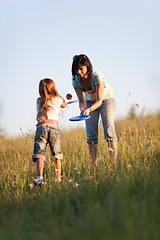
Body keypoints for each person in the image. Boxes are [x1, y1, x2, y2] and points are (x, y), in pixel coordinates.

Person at [71, 54, 118, 165]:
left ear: (87, 67)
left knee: (109, 131)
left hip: (106, 100)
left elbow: (99, 100)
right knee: (91, 136)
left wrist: (89, 109)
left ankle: (113, 164)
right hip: (89, 102)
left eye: (81, 69)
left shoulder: (97, 76)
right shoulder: (76, 81)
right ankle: (94, 165)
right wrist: (83, 110)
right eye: (76, 69)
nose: (79, 72)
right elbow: (82, 101)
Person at [32, 78, 67, 186]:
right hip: (53, 128)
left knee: (39, 155)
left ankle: (39, 179)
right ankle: (58, 179)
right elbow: (64, 104)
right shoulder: (58, 99)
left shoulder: (39, 100)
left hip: (41, 128)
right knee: (56, 154)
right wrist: (58, 94)